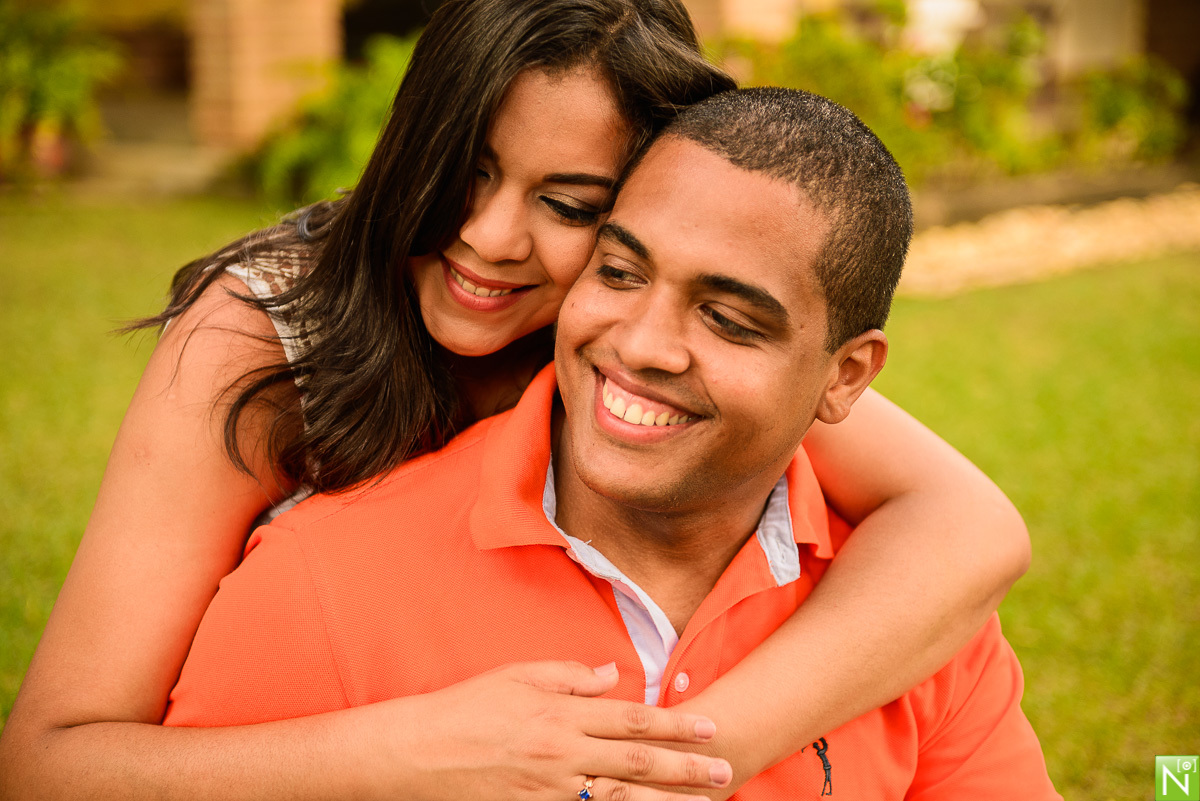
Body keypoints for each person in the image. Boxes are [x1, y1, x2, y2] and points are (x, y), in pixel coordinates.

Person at [0, 1, 1030, 799]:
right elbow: (50, 766)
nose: (489, 238)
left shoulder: (637, 337)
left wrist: (698, 753)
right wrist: (407, 754)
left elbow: (967, 528)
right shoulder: (267, 334)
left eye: (569, 205)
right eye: (465, 171)